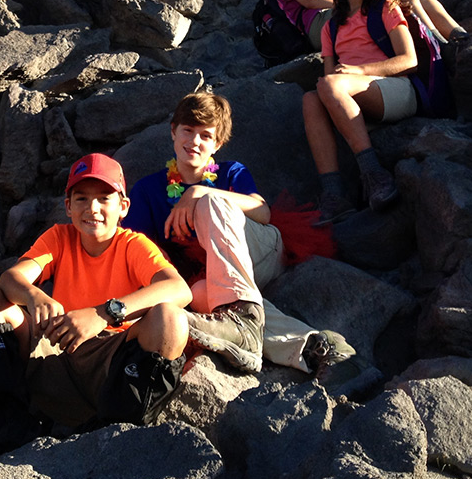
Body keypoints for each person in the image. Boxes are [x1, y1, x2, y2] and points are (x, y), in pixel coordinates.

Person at [123, 92, 367, 389]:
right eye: (188, 130)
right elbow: (135, 248)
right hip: (212, 277)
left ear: (218, 144)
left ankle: (242, 314)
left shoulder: (230, 172)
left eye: (205, 135)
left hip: (258, 252)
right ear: (173, 131)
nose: (195, 141)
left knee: (210, 206)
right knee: (199, 293)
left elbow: (262, 212)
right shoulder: (149, 189)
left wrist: (200, 193)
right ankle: (316, 348)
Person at [0, 153, 189, 446]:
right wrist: (33, 296)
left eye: (104, 198)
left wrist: (104, 313)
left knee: (171, 320)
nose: (92, 208)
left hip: (111, 365)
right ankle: (12, 424)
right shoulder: (59, 237)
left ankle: (117, 432)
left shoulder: (133, 245)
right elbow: (10, 279)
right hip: (58, 351)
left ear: (123, 207)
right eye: (81, 199)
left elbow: (179, 289)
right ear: (68, 207)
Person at [303, 0, 418, 223]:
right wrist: (346, 78)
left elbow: (409, 60)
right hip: (351, 93)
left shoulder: (385, 7)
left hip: (395, 90)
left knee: (329, 84)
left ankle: (374, 173)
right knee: (310, 98)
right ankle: (334, 194)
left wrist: (360, 71)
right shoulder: (331, 26)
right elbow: (330, 78)